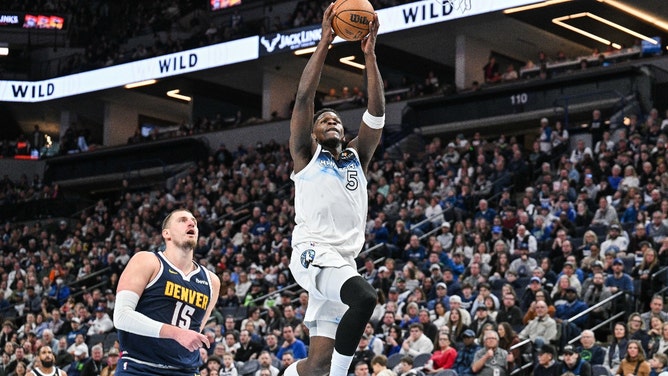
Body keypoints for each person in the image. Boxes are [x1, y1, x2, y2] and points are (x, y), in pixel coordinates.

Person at [285, 4, 384, 376]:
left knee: (318, 365)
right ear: (312, 132)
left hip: (343, 260)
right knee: (365, 298)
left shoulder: (357, 155)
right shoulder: (306, 155)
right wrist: (325, 41)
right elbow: (303, 99)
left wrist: (370, 56)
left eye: (337, 120)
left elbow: (376, 113)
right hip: (313, 253)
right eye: (324, 119)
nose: (331, 121)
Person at [113, 209, 221, 375]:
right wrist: (176, 333)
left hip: (185, 370)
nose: (191, 223)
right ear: (166, 233)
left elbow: (195, 331)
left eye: (194, 222)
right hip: (140, 367)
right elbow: (121, 316)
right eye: (183, 220)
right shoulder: (148, 261)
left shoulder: (211, 281)